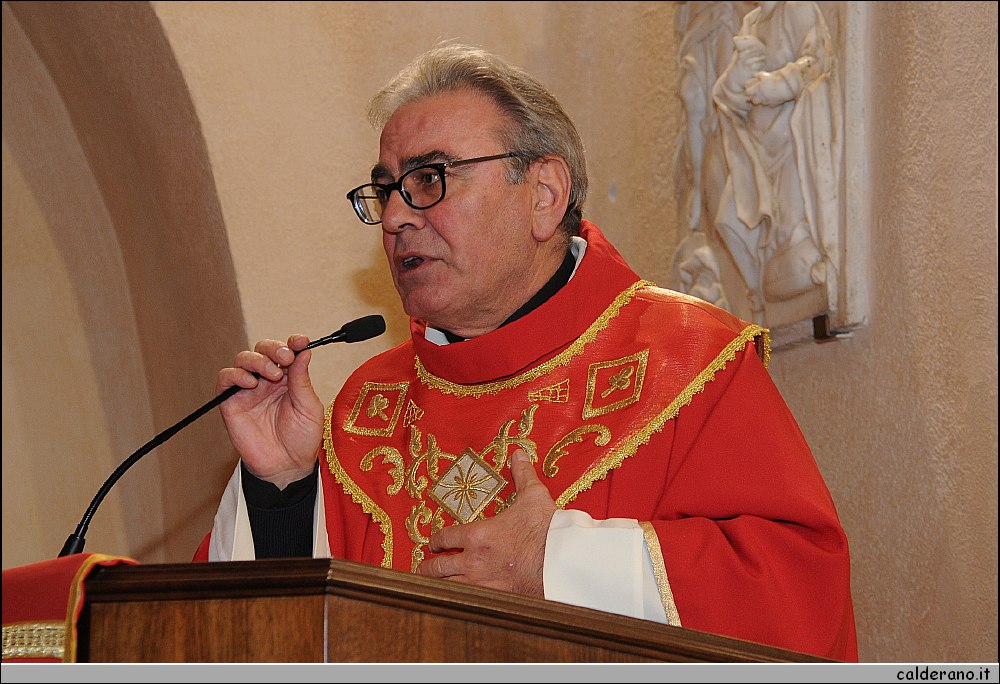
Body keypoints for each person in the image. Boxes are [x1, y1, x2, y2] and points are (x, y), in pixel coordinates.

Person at [196, 43, 857, 661]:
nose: (395, 217)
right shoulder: (367, 407)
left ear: (544, 195)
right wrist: (282, 490)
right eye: (387, 188)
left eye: (429, 178)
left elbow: (796, 588)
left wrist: (560, 566)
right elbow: (265, 642)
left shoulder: (688, 360)